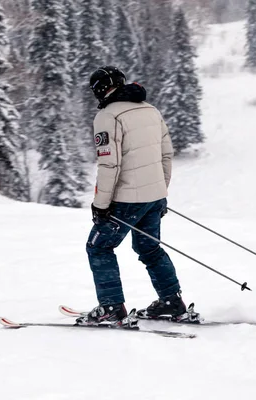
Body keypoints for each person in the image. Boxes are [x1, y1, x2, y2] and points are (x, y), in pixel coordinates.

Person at [76, 66, 196, 326]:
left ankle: (110, 307)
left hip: (125, 199)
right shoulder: (151, 110)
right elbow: (166, 154)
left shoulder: (108, 116)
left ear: (99, 89)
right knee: (149, 247)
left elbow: (110, 164)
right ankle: (171, 302)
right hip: (153, 196)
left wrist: (101, 204)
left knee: (98, 246)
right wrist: (161, 193)